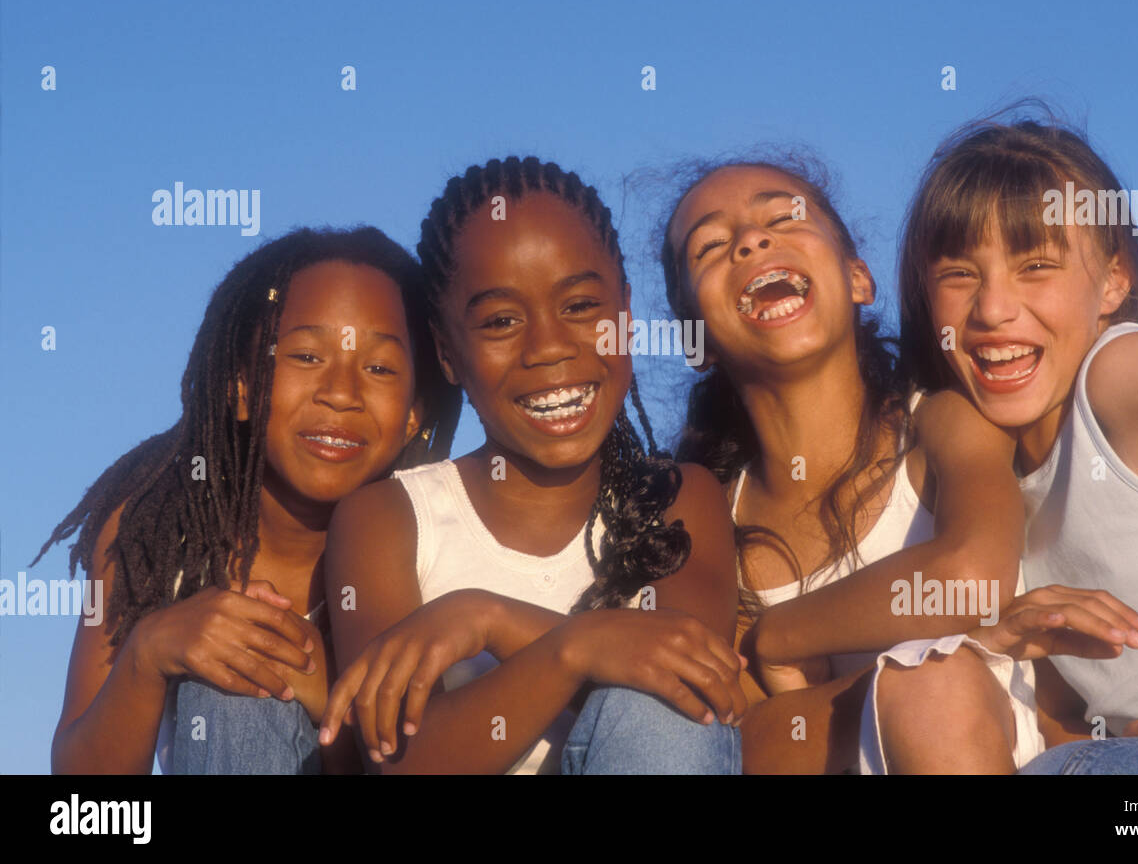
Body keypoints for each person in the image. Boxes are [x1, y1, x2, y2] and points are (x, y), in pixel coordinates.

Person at [879, 106, 1138, 774]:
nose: (992, 309)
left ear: (1112, 281)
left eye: (1036, 265)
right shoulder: (984, 474)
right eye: (959, 274)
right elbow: (1067, 726)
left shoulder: (1121, 376)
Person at [318, 157, 745, 774]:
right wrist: (573, 649)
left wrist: (486, 617)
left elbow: (686, 674)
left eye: (579, 306)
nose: (548, 346)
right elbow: (400, 764)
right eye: (501, 321)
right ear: (446, 352)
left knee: (660, 709)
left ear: (625, 314)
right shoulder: (387, 518)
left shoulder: (680, 497)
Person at [655, 152, 1068, 773]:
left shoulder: (942, 424)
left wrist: (781, 636)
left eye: (785, 218)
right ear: (699, 343)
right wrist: (922, 663)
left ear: (858, 279)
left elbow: (970, 582)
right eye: (710, 246)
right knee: (930, 678)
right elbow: (748, 740)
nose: (750, 241)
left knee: (936, 686)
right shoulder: (716, 526)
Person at [39, 227, 459, 774]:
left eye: (379, 368)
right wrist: (149, 652)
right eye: (307, 356)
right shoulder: (154, 530)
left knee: (251, 676)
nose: (341, 392)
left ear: (413, 415)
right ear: (240, 385)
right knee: (232, 690)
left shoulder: (440, 533)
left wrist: (326, 684)